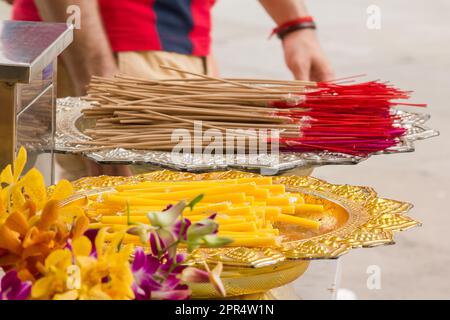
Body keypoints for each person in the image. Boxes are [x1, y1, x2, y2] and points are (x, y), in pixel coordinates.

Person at [9, 0, 333, 178]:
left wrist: (295, 24)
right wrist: (105, 97)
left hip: (163, 50)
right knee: (140, 242)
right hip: (118, 55)